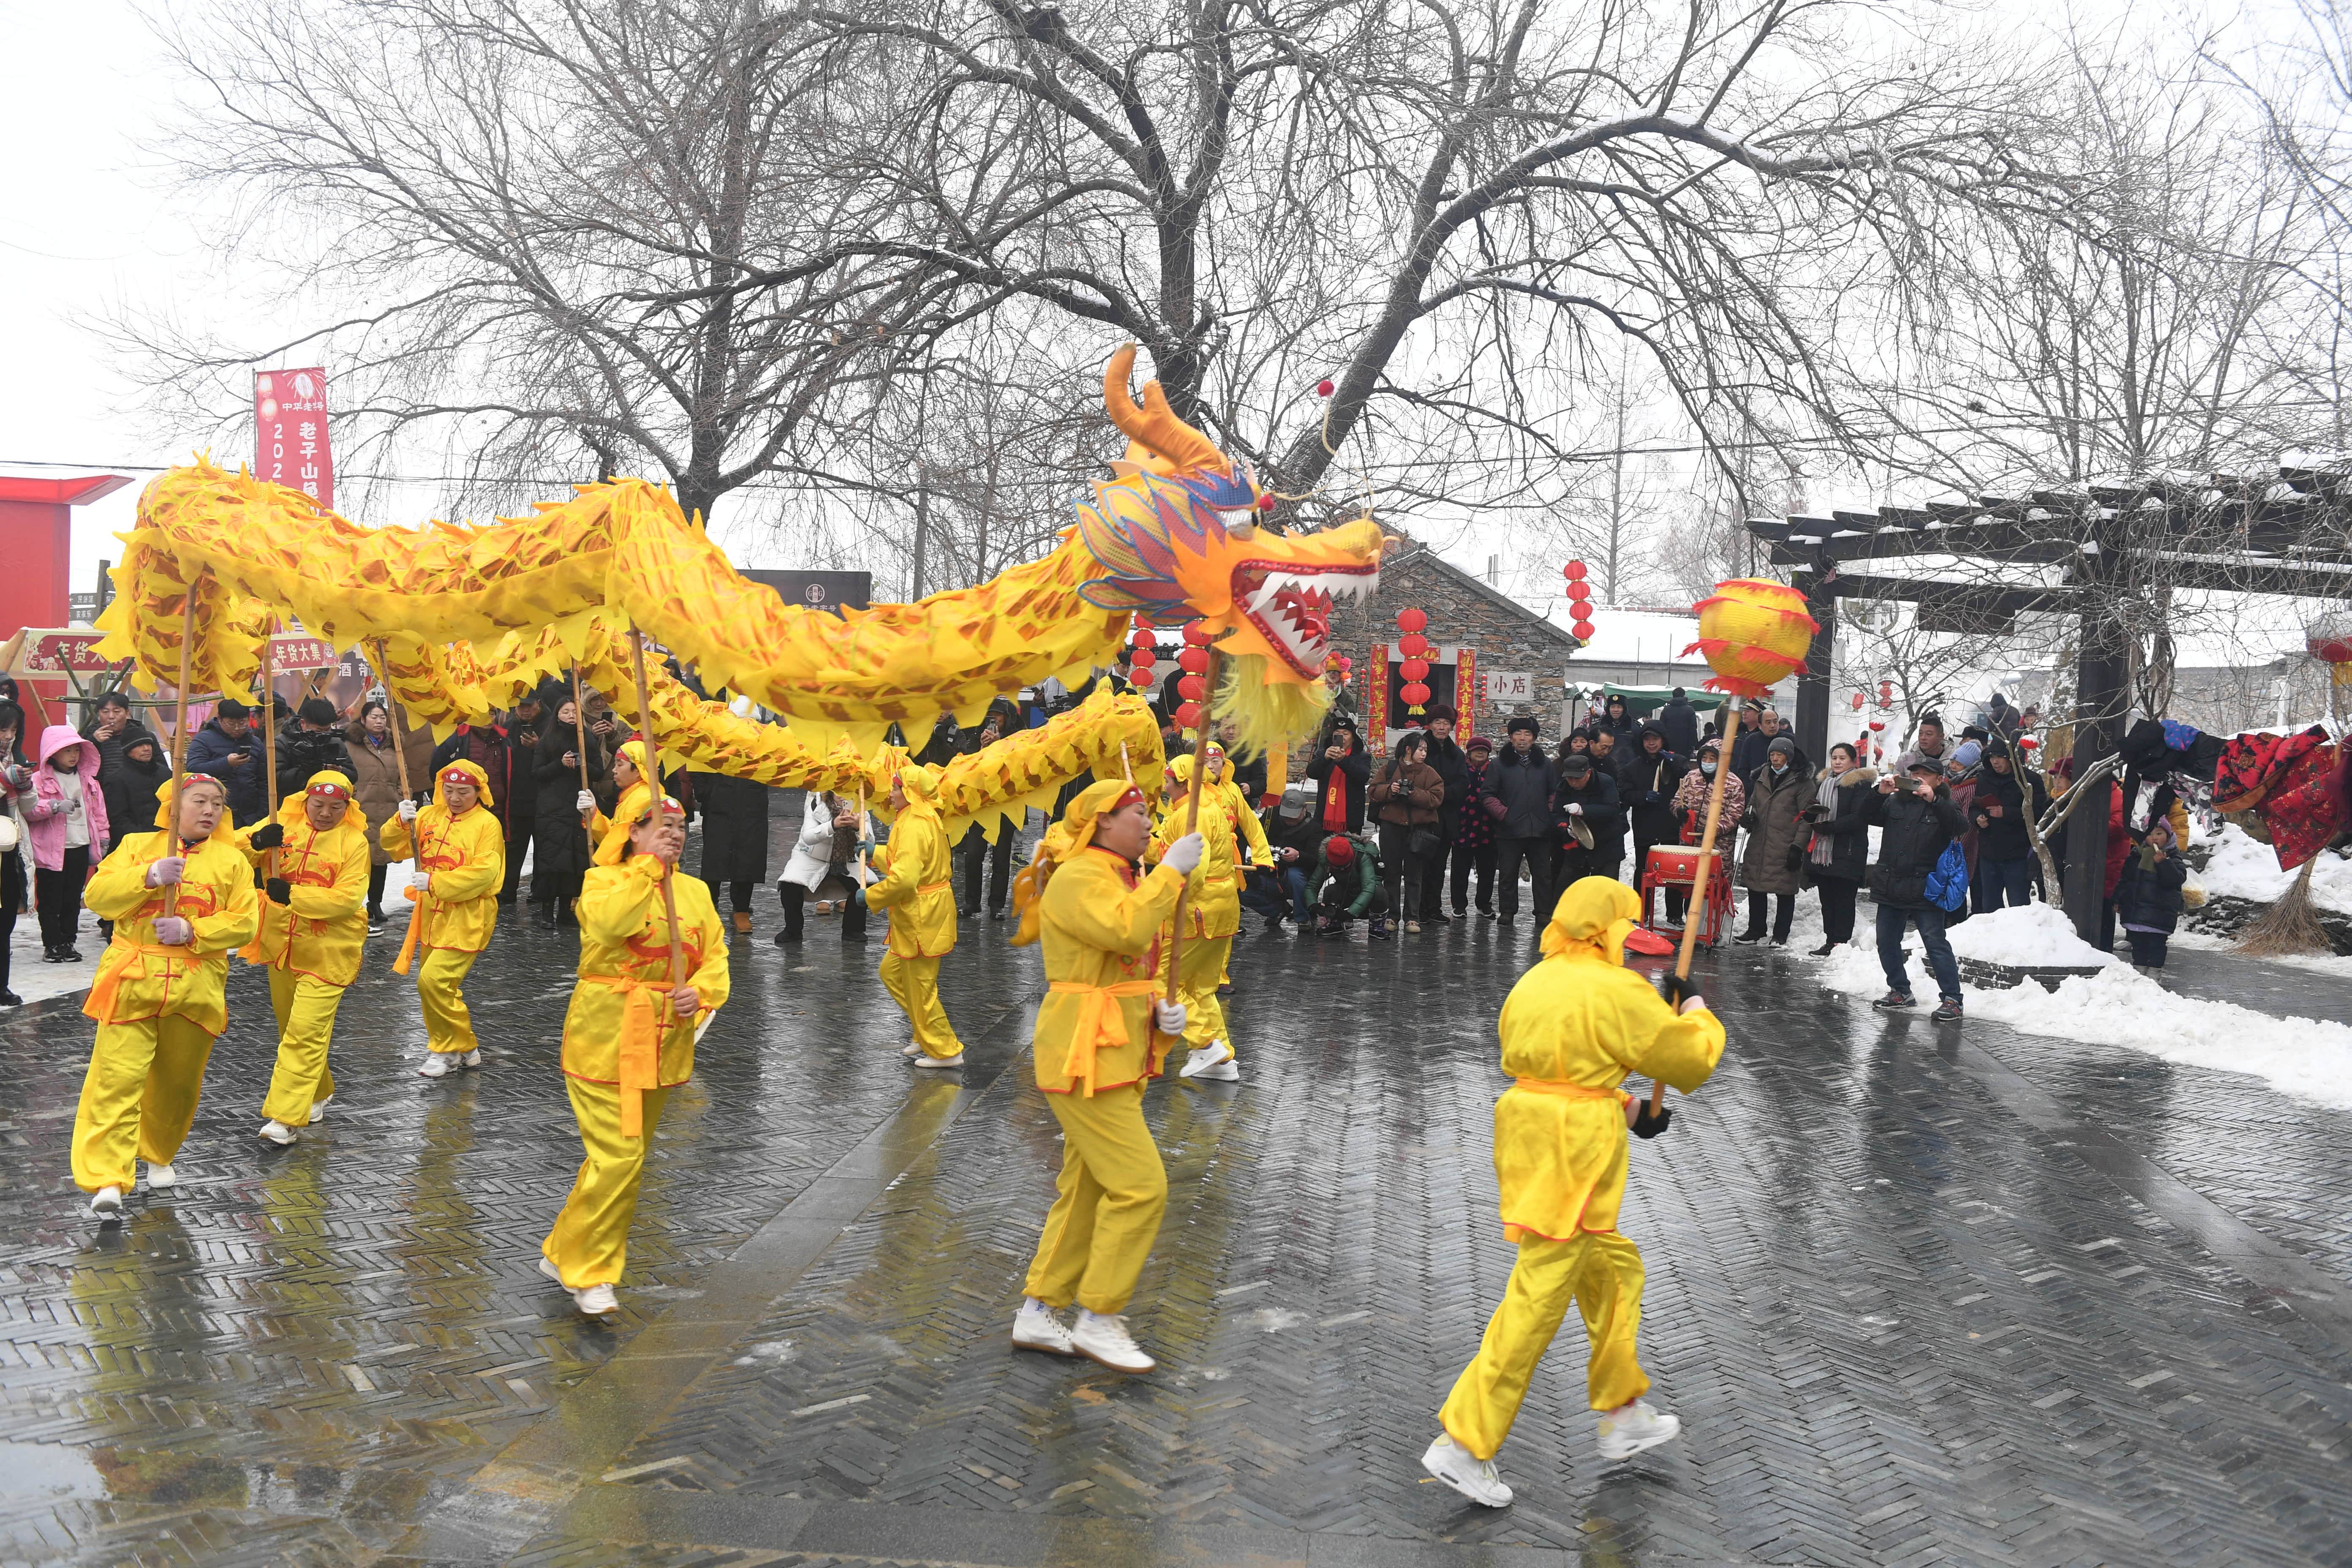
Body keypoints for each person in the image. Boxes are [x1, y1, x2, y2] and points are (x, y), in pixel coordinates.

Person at [1420, 878, 1725, 1508]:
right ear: (1609, 927)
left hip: (1532, 1132)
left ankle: (1623, 1410)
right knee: (1536, 1298)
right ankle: (1465, 1442)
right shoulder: (1615, 987)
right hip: (1576, 1153)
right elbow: (1690, 1062)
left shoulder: (1536, 978)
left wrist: (1632, 1109)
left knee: (1614, 1272)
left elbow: (1553, 1069)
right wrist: (1693, 1007)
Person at [1005, 781, 1199, 1373]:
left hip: (1114, 1048)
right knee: (1141, 1187)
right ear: (1101, 822)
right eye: (1137, 814)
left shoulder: (1121, 877)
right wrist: (1169, 872)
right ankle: (1099, 1315)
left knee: (1089, 1187)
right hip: (1086, 1053)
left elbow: (1129, 964)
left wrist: (1166, 1015)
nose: (1149, 823)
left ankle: (1040, 1311)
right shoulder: (1080, 876)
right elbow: (1127, 933)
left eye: (1149, 813)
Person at [538, 792, 730, 1318]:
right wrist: (647, 869)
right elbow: (612, 926)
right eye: (661, 826)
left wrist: (702, 992)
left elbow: (714, 954)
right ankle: (591, 1271)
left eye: (680, 826)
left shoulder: (693, 891)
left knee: (619, 1159)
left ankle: (563, 1250)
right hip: (605, 1038)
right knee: (620, 1157)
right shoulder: (604, 881)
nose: (675, 834)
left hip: (664, 1041)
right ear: (632, 833)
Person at [71, 774, 260, 1219]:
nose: (209, 810)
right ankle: (108, 1177)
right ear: (174, 807)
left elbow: (246, 923)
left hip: (195, 990)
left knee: (177, 1082)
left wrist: (195, 930)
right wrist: (149, 876)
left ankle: (157, 1150)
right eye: (199, 801)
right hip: (133, 981)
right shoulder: (137, 845)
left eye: (217, 802)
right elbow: (98, 896)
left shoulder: (232, 861)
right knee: (116, 1080)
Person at [240, 770, 370, 1146]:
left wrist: (292, 895)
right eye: (318, 806)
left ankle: (285, 1117)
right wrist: (257, 842)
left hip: (330, 952)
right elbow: (229, 854)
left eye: (336, 807)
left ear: (347, 808)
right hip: (280, 948)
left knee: (303, 1033)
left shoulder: (354, 843)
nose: (326, 814)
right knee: (292, 1029)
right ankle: (318, 1089)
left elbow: (347, 899)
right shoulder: (282, 824)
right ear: (305, 801)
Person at [381, 760, 506, 1075]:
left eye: (463, 792)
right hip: (430, 915)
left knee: (433, 981)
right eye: (448, 790)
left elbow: (485, 873)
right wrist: (401, 820)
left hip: (468, 916)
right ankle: (464, 1045)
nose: (454, 798)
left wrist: (437, 883)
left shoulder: (487, 824)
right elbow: (391, 847)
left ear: (478, 791)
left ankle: (447, 1050)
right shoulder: (429, 815)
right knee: (439, 986)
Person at [1149, 751, 1253, 1077]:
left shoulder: (1190, 816)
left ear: (1183, 784)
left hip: (1197, 910)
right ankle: (1223, 1061)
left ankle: (1206, 1045)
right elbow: (1170, 851)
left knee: (1162, 982)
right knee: (1201, 989)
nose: (1164, 786)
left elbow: (1194, 867)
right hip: (1222, 906)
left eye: (1168, 781)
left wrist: (1168, 895)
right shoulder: (1210, 807)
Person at [865, 761, 964, 1067]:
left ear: (909, 792)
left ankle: (945, 1050)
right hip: (922, 914)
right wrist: (875, 852)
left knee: (921, 986)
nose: (891, 793)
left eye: (896, 788)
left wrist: (869, 895)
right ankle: (925, 1032)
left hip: (923, 916)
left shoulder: (914, 824)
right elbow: (907, 862)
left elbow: (906, 879)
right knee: (892, 973)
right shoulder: (915, 816)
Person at [1862, 756, 1969, 1021]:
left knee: (1935, 943)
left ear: (1939, 780)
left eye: (1925, 774)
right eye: (1914, 774)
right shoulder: (1894, 801)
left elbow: (1960, 827)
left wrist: (1934, 800)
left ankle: (1953, 999)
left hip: (1927, 887)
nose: (1918, 778)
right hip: (1891, 884)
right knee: (1886, 941)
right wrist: (1879, 793)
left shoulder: (1944, 805)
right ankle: (1900, 990)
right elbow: (1863, 817)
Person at [25, 726, 111, 963]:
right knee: (51, 899)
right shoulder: (39, 780)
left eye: (77, 750)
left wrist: (103, 837)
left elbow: (99, 813)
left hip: (80, 847)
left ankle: (68, 942)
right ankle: (52, 944)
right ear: (52, 753)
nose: (73, 755)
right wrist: (53, 807)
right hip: (51, 850)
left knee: (72, 899)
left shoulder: (89, 782)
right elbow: (29, 810)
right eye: (67, 751)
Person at [532, 701, 608, 926]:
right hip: (551, 809)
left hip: (577, 806)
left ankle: (566, 909)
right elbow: (537, 772)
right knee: (551, 861)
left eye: (575, 711)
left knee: (574, 861)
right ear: (557, 715)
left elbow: (599, 772)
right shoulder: (548, 740)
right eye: (565, 711)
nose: (570, 715)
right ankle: (547, 911)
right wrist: (559, 764)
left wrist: (581, 765)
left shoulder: (587, 739)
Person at [1482, 716, 1558, 930]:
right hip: (1509, 829)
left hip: (1540, 829)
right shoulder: (1498, 765)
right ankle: (1507, 911)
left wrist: (1548, 814)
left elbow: (1554, 793)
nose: (1522, 739)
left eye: (1527, 735)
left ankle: (1543, 912)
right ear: (1511, 738)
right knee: (1508, 873)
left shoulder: (1545, 765)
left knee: (1543, 874)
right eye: (1518, 734)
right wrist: (1505, 815)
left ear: (1534, 739)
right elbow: (1488, 795)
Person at [1367, 731, 1444, 936]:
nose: (1424, 753)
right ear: (1409, 750)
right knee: (1391, 873)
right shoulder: (1390, 769)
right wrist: (1390, 790)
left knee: (1414, 876)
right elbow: (1373, 791)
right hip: (1391, 828)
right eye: (1421, 749)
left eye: (1426, 750)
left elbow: (1437, 798)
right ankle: (1392, 915)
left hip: (1418, 830)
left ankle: (1412, 917)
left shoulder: (1430, 773)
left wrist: (1414, 794)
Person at [1800, 743, 1874, 954]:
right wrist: (1810, 813)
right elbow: (1817, 811)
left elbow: (1859, 817)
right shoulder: (1826, 783)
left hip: (1848, 851)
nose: (1838, 762)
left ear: (1853, 761)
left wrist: (1830, 828)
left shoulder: (1860, 785)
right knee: (1828, 900)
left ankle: (1840, 943)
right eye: (1834, 758)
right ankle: (1830, 940)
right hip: (1824, 852)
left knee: (1843, 901)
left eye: (1843, 758)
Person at [430, 718, 516, 897]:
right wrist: (401, 822)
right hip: (461, 806)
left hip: (495, 807)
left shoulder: (504, 739)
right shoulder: (458, 737)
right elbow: (437, 765)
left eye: (492, 713)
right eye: (482, 713)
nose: (488, 718)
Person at [1735, 737, 1809, 945]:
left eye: (1780, 755)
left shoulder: (1801, 781)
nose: (1775, 760)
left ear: (1789, 756)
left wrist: (1798, 847)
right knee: (1755, 887)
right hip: (1760, 841)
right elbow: (1753, 804)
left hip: (1786, 843)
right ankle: (1756, 930)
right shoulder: (1762, 776)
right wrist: (1748, 817)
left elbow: (1808, 817)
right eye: (1772, 755)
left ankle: (1780, 934)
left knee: (1784, 890)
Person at [344, 700, 407, 932]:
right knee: (359, 861)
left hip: (387, 810)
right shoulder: (351, 745)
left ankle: (376, 903)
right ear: (363, 720)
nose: (379, 721)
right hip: (360, 810)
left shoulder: (395, 746)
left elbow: (404, 775)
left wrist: (399, 795)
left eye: (382, 717)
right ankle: (355, 904)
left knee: (381, 860)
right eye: (374, 717)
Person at [779, 788, 871, 943]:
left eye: (846, 790)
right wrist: (832, 825)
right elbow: (808, 837)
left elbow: (871, 843)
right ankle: (793, 930)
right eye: (838, 789)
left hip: (845, 861)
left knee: (866, 884)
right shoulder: (817, 803)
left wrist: (858, 827)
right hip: (812, 857)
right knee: (789, 884)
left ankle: (853, 930)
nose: (842, 794)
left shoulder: (860, 806)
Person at [956, 700, 1021, 917]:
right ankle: (972, 902)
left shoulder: (1018, 735)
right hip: (982, 805)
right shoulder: (978, 735)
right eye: (991, 715)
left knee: (1002, 857)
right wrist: (982, 748)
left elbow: (1024, 756)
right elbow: (967, 765)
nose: (995, 719)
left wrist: (1001, 742)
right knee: (973, 855)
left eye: (999, 716)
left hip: (1006, 806)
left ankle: (997, 905)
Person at [694, 766, 772, 935]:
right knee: (715, 855)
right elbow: (696, 762)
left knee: (748, 855)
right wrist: (705, 791)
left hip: (751, 799)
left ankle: (741, 909)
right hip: (718, 802)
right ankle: (709, 905)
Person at [1970, 739, 2042, 912]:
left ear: (2012, 758)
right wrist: (1978, 819)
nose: (1995, 761)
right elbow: (1973, 807)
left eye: (2001, 757)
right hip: (1989, 852)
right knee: (1990, 907)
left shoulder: (2030, 780)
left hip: (2018, 854)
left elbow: (2038, 813)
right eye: (1992, 757)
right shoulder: (1984, 778)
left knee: (2019, 907)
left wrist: (2007, 813)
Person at [80, 692, 161, 841]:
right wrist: (93, 743)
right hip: (100, 800)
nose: (111, 717)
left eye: (117, 712)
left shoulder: (143, 736)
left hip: (137, 800)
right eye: (105, 712)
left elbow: (160, 767)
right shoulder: (89, 737)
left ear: (127, 713)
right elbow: (79, 767)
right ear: (99, 714)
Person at [1622, 724, 1685, 912]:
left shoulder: (1674, 762)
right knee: (1643, 871)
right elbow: (1624, 794)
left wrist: (1675, 763)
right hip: (1645, 827)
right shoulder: (1633, 768)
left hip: (1671, 826)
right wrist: (1642, 797)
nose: (1651, 744)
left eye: (1655, 739)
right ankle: (1641, 911)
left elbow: (1688, 780)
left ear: (1663, 740)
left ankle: (1674, 914)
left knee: (1674, 873)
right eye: (1647, 740)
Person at [1243, 783, 1320, 929]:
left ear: (1305, 809)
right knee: (1241, 887)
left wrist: (1298, 856)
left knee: (1295, 875)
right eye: (1286, 816)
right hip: (1268, 872)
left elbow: (1316, 860)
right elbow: (1254, 838)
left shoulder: (1314, 827)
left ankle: (1303, 918)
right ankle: (1277, 910)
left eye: (1294, 817)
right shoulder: (1270, 816)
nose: (1290, 820)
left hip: (1296, 878)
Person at [2115, 819, 2187, 975]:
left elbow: (2176, 881)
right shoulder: (2136, 856)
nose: (2154, 838)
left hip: (2160, 912)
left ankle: (2155, 973)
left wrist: (2163, 864)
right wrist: (2119, 899)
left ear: (2168, 836)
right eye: (2150, 834)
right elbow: (2126, 880)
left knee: (2157, 945)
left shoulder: (2173, 857)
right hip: (2137, 910)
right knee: (2138, 943)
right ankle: (2139, 970)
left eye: (2159, 834)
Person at [184, 697, 269, 825]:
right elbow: (193, 769)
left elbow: (264, 780)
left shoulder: (255, 743)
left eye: (242, 723)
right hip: (216, 814)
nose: (237, 728)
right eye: (231, 724)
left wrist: (262, 813)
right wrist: (227, 764)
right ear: (220, 719)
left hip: (251, 816)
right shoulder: (203, 739)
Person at [1419, 708, 1468, 925]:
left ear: (1452, 727)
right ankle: (1418, 909)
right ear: (1430, 724)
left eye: (1446, 723)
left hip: (1446, 818)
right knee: (1420, 865)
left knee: (1439, 866)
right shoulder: (1419, 748)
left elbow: (1463, 784)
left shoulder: (1456, 753)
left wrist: (1439, 795)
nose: (1441, 727)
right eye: (1437, 722)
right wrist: (1430, 797)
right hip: (1422, 816)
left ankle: (1434, 907)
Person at [1551, 753, 1623, 887]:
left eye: (1577, 778)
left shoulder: (1605, 783)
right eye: (1569, 778)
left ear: (1589, 773)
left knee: (1604, 892)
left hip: (1607, 847)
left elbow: (1613, 809)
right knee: (1566, 890)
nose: (1573, 782)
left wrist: (1583, 810)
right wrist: (1566, 827)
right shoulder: (1563, 788)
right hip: (1578, 848)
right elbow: (1557, 814)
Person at [0, 702, 28, 1006]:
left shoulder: (13, 759)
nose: (7, 736)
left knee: (5, 921)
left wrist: (26, 785)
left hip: (8, 850)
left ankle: (2, 985)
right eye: (3, 728)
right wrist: (5, 780)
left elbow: (29, 810)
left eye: (13, 730)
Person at [502, 698, 543, 906]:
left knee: (542, 850)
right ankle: (508, 891)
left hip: (543, 798)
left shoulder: (550, 725)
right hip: (516, 798)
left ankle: (539, 892)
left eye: (529, 705)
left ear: (539, 704)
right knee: (513, 849)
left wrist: (539, 746)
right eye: (521, 706)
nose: (525, 710)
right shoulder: (508, 727)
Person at [1452, 736, 1497, 917]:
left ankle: (1484, 903)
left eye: (1484, 750)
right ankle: (1459, 905)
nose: (1480, 753)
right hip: (1463, 825)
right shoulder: (1459, 769)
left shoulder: (1495, 770)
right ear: (1469, 753)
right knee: (1460, 869)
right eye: (1477, 750)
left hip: (1489, 827)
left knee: (1487, 869)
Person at [275, 697, 351, 801]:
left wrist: (340, 770)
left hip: (330, 805)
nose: (324, 734)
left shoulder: (335, 742)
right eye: (318, 731)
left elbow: (353, 776)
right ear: (303, 724)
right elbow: (276, 780)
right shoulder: (283, 742)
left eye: (327, 730)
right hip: (293, 806)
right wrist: (309, 769)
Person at [1311, 830, 1384, 935]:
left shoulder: (1363, 856)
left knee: (1379, 893)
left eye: (1344, 867)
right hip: (1345, 890)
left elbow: (1369, 888)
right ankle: (1334, 922)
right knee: (1331, 891)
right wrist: (1313, 905)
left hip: (1368, 895)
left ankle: (1377, 926)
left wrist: (1350, 913)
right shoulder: (1326, 857)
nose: (1341, 870)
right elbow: (1313, 884)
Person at [1306, 716, 1371, 832]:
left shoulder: (1362, 757)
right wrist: (1325, 759)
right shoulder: (1324, 754)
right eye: (1338, 733)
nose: (1342, 737)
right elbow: (1312, 773)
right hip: (1324, 815)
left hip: (1351, 817)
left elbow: (1363, 777)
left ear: (1353, 738)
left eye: (1346, 734)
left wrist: (1343, 760)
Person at [1657, 688, 1701, 758]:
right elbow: (1693, 729)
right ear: (1684, 696)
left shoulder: (1666, 710)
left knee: (1670, 766)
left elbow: (1662, 729)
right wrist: (1694, 745)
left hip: (1669, 746)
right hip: (1685, 747)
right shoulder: (1690, 710)